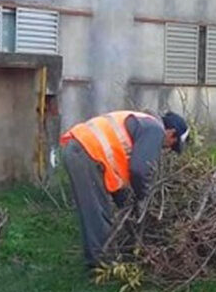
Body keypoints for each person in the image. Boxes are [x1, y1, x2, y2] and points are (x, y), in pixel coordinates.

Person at [60, 111, 189, 267]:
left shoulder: (143, 122)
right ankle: (103, 266)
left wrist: (124, 200)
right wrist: (143, 197)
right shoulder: (155, 130)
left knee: (96, 211)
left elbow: (118, 168)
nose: (166, 149)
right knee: (97, 213)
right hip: (85, 152)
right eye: (172, 145)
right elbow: (139, 170)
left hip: (82, 150)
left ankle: (100, 261)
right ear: (171, 133)